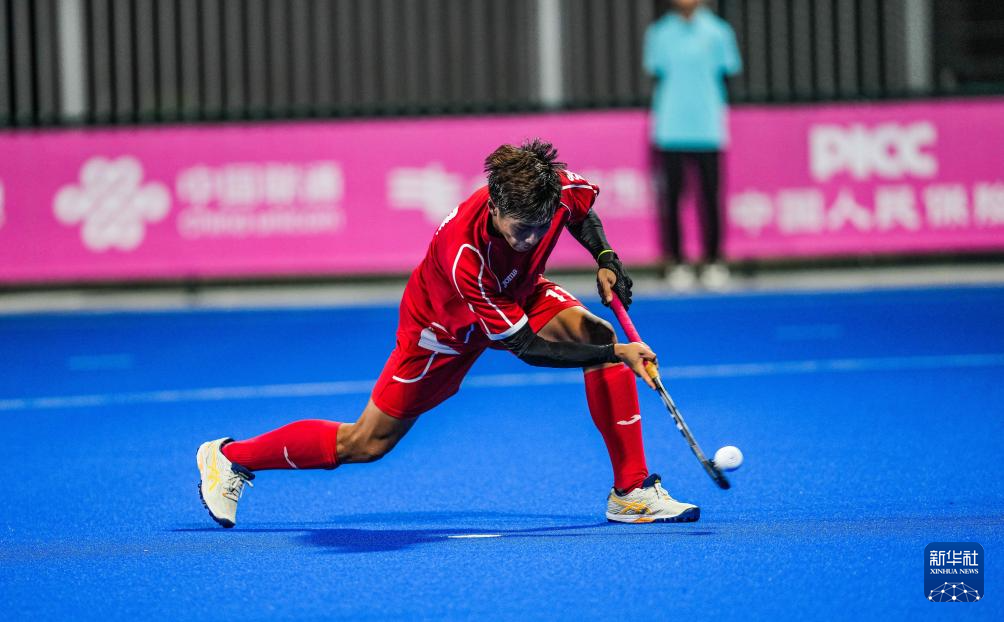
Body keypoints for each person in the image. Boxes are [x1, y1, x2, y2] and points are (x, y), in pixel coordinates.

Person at [196, 139, 700, 527]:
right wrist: (617, 352)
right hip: (441, 330)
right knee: (366, 442)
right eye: (519, 229)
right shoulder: (467, 255)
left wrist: (606, 257)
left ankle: (631, 490)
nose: (529, 240)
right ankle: (230, 457)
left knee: (593, 333)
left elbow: (581, 212)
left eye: (539, 228)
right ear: (495, 206)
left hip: (518, 292)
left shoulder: (555, 191)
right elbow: (525, 346)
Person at [644, 0, 742, 290]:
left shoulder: (718, 31)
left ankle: (714, 260)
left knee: (710, 196)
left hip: (707, 127)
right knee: (672, 198)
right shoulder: (659, 33)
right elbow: (656, 72)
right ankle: (677, 262)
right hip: (671, 128)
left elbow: (727, 72)